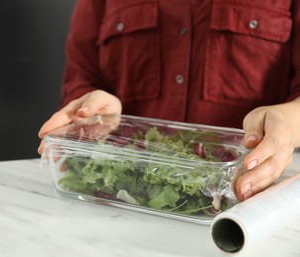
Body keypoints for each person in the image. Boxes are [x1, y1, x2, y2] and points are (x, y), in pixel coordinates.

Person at [38, 0, 300, 201]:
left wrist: (286, 119)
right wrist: (93, 112)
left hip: (247, 205)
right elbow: (82, 78)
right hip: (123, 198)